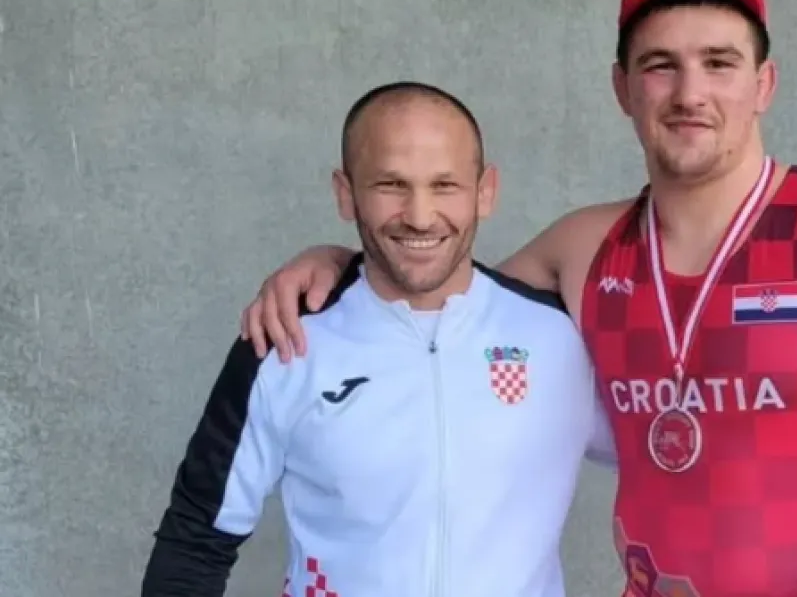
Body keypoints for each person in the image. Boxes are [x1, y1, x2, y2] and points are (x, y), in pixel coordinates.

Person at [239, 0, 797, 597]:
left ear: (764, 83)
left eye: (719, 62)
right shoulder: (583, 249)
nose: (690, 92)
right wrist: (337, 262)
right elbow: (434, 299)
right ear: (622, 88)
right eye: (660, 64)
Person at [141, 81, 616, 597]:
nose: (419, 215)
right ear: (346, 194)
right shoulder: (286, 338)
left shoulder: (562, 336)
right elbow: (194, 543)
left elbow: (669, 460)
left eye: (445, 185)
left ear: (485, 191)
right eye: (391, 184)